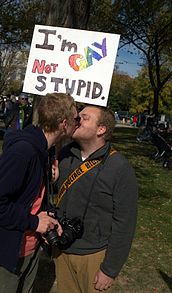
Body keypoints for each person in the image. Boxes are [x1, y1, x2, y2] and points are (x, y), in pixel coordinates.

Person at [0, 92, 80, 293]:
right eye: (76, 118)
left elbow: (31, 198)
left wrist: (46, 216)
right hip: (7, 249)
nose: (79, 122)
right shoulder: (23, 152)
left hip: (29, 246)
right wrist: (34, 222)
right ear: (63, 123)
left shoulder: (45, 150)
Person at [53, 105, 138, 292]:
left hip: (94, 255)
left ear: (101, 130)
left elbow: (125, 223)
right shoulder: (64, 155)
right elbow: (57, 197)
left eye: (85, 117)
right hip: (62, 250)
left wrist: (110, 269)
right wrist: (52, 180)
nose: (77, 119)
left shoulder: (120, 168)